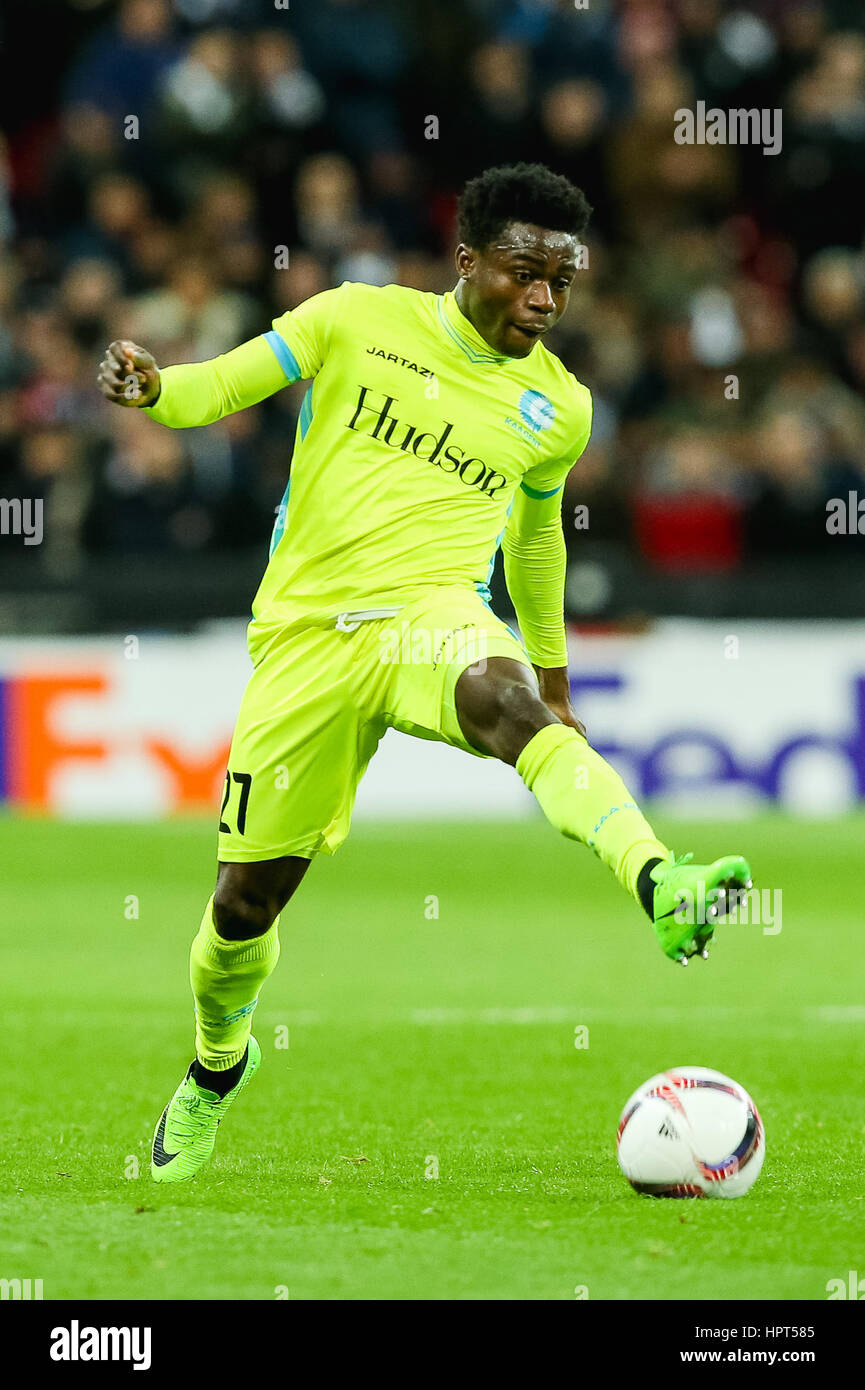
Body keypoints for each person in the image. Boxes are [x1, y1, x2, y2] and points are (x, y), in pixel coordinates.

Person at [98, 163, 751, 1184]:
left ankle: (662, 879)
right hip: (307, 638)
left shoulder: (558, 407)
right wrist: (153, 389)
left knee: (511, 710)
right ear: (467, 259)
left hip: (430, 617)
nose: (543, 298)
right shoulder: (354, 318)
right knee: (241, 909)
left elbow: (538, 543)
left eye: (562, 281)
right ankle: (217, 1066)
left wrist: (552, 673)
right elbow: (219, 386)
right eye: (524, 272)